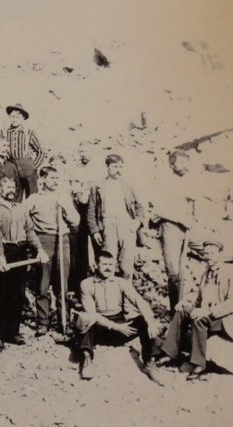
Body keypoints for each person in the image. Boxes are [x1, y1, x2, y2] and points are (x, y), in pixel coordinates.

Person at [76, 251, 161, 382]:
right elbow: (92, 314)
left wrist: (150, 321)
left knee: (144, 320)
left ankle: (149, 362)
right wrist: (116, 327)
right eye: (104, 264)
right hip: (100, 328)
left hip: (121, 326)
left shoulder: (121, 282)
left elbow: (139, 301)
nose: (108, 267)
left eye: (110, 264)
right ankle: (87, 360)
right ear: (96, 265)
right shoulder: (87, 284)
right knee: (86, 319)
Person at [0, 177, 48, 350]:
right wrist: (1, 257)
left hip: (21, 252)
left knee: (17, 294)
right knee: (2, 295)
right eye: (7, 187)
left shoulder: (21, 208)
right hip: (5, 253)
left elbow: (29, 230)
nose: (11, 190)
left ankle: (13, 333)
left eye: (13, 186)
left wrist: (39, 250)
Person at [160, 240, 233, 380]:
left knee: (199, 319)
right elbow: (199, 300)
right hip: (209, 314)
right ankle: (170, 353)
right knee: (183, 312)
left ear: (220, 254)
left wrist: (209, 312)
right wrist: (185, 302)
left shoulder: (230, 273)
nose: (209, 256)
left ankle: (198, 363)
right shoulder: (205, 274)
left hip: (225, 318)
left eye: (212, 253)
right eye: (206, 253)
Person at [23, 166, 79, 335]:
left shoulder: (63, 197)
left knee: (62, 283)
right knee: (42, 284)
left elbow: (76, 221)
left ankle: (65, 322)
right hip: (43, 241)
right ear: (42, 179)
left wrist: (67, 210)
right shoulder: (33, 199)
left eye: (57, 178)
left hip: (62, 239)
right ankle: (43, 322)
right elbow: (23, 219)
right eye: (52, 178)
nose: (55, 181)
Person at [150, 150, 195, 313]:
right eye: (181, 163)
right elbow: (158, 210)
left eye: (186, 163)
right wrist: (181, 219)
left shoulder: (188, 181)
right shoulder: (163, 183)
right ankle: (175, 312)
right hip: (170, 228)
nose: (185, 167)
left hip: (188, 229)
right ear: (171, 164)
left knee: (185, 272)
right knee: (174, 273)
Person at [88, 154, 145, 279]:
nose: (118, 169)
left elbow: (140, 206)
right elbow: (91, 211)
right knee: (108, 261)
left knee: (127, 263)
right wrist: (95, 231)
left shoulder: (128, 185)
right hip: (108, 224)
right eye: (114, 166)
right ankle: (109, 294)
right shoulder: (98, 186)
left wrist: (137, 221)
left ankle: (125, 295)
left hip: (126, 224)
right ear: (107, 167)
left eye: (120, 166)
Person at [0, 103, 45, 197]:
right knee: (13, 195)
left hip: (27, 166)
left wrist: (34, 166)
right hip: (11, 166)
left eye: (17, 117)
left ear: (23, 118)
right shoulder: (4, 132)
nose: (14, 119)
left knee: (32, 196)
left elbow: (41, 152)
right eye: (12, 116)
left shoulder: (29, 133)